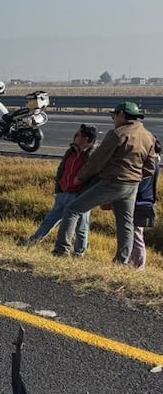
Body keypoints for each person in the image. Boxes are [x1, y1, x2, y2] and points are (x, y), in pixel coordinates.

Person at [53, 102, 159, 263]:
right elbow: (150, 168)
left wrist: (80, 177)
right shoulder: (148, 135)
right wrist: (135, 176)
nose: (114, 119)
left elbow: (97, 159)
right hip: (132, 185)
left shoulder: (118, 134)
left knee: (72, 209)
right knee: (126, 224)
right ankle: (121, 261)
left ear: (122, 115)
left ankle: (61, 251)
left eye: (114, 116)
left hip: (112, 182)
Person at [22, 124, 97, 255]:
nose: (75, 137)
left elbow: (94, 178)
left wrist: (84, 195)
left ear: (86, 139)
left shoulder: (93, 156)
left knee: (81, 227)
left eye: (78, 135)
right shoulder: (71, 152)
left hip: (79, 197)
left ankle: (79, 253)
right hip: (64, 193)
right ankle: (33, 242)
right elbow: (61, 170)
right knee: (50, 220)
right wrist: (59, 189)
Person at [128, 139, 160, 271]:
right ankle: (134, 263)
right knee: (135, 235)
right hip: (145, 202)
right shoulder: (154, 163)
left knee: (136, 236)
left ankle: (138, 267)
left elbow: (141, 186)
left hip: (140, 202)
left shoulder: (149, 165)